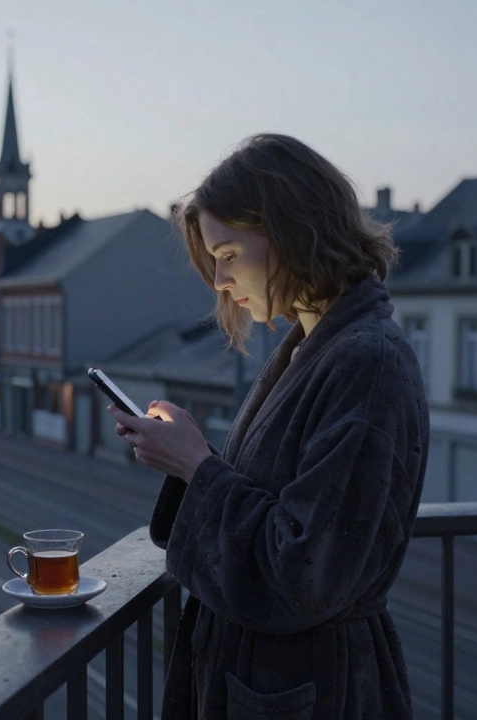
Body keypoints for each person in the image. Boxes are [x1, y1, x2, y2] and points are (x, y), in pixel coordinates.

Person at [108, 134, 428, 719]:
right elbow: (282, 505)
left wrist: (196, 466)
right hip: (278, 680)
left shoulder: (365, 361)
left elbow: (303, 571)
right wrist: (193, 454)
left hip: (312, 690)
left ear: (293, 231)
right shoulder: (316, 346)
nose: (221, 282)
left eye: (228, 254)